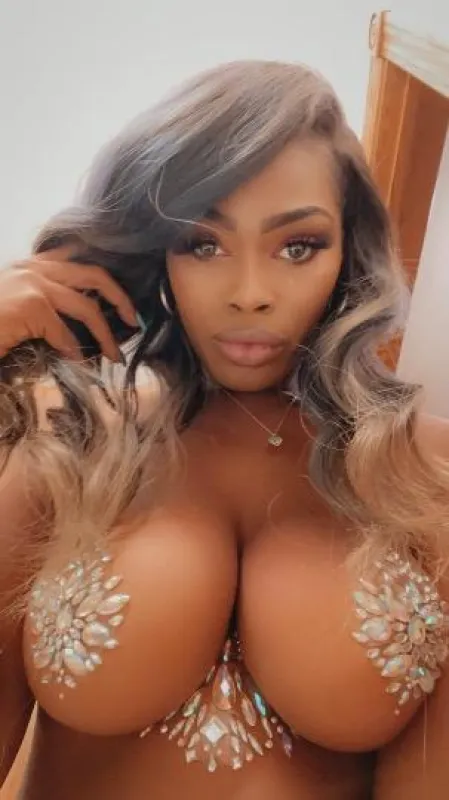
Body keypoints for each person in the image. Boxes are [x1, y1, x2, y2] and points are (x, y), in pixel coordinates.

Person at [1, 60, 449, 800]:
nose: (250, 294)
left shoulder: (428, 473)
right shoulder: (68, 436)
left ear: (347, 252)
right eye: (202, 243)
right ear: (156, 251)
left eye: (297, 246)